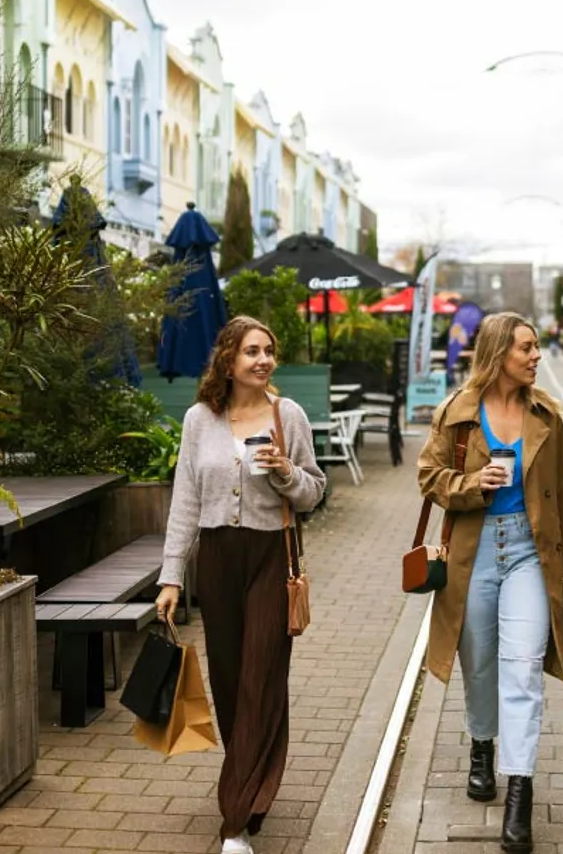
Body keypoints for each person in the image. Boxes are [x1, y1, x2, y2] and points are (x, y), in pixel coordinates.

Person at [156, 316, 326, 854]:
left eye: (269, 351)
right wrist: (170, 578)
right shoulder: (198, 420)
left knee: (261, 678)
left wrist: (285, 473)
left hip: (270, 557)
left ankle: (233, 821)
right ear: (228, 359)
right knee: (229, 683)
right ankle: (252, 782)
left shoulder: (288, 415)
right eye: (252, 351)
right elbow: (185, 500)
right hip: (218, 560)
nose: (263, 360)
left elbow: (314, 492)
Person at [416, 311, 563, 854]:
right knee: (480, 662)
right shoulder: (457, 412)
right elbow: (429, 476)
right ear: (498, 355)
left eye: (535, 347)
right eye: (526, 349)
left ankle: (519, 792)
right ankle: (481, 747)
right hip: (475, 548)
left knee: (522, 668)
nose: (536, 356)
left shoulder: (548, 415)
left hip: (530, 552)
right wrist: (473, 482)